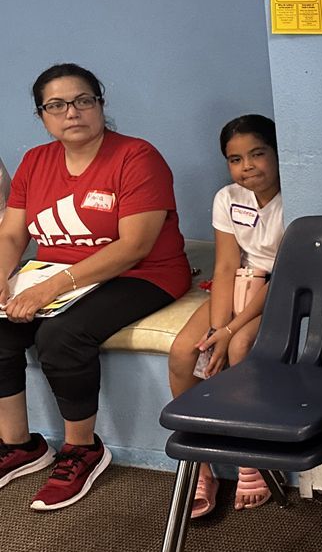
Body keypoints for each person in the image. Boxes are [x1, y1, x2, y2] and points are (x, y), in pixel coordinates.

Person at [0, 63, 191, 510]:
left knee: (61, 335)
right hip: (55, 272)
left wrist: (48, 290)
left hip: (141, 273)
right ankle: (19, 445)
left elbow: (134, 246)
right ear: (42, 115)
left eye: (84, 100)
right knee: (1, 328)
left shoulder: (137, 156)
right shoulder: (35, 161)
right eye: (57, 105)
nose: (72, 112)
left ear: (100, 105)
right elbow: (13, 233)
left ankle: (82, 449)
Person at [167, 114, 283, 517]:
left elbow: (282, 275)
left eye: (258, 154)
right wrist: (215, 328)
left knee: (239, 347)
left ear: (277, 152)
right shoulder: (227, 197)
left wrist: (231, 328)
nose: (247, 166)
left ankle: (251, 456)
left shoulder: (296, 197)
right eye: (235, 159)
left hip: (276, 289)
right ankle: (200, 462)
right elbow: (224, 264)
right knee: (186, 350)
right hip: (236, 283)